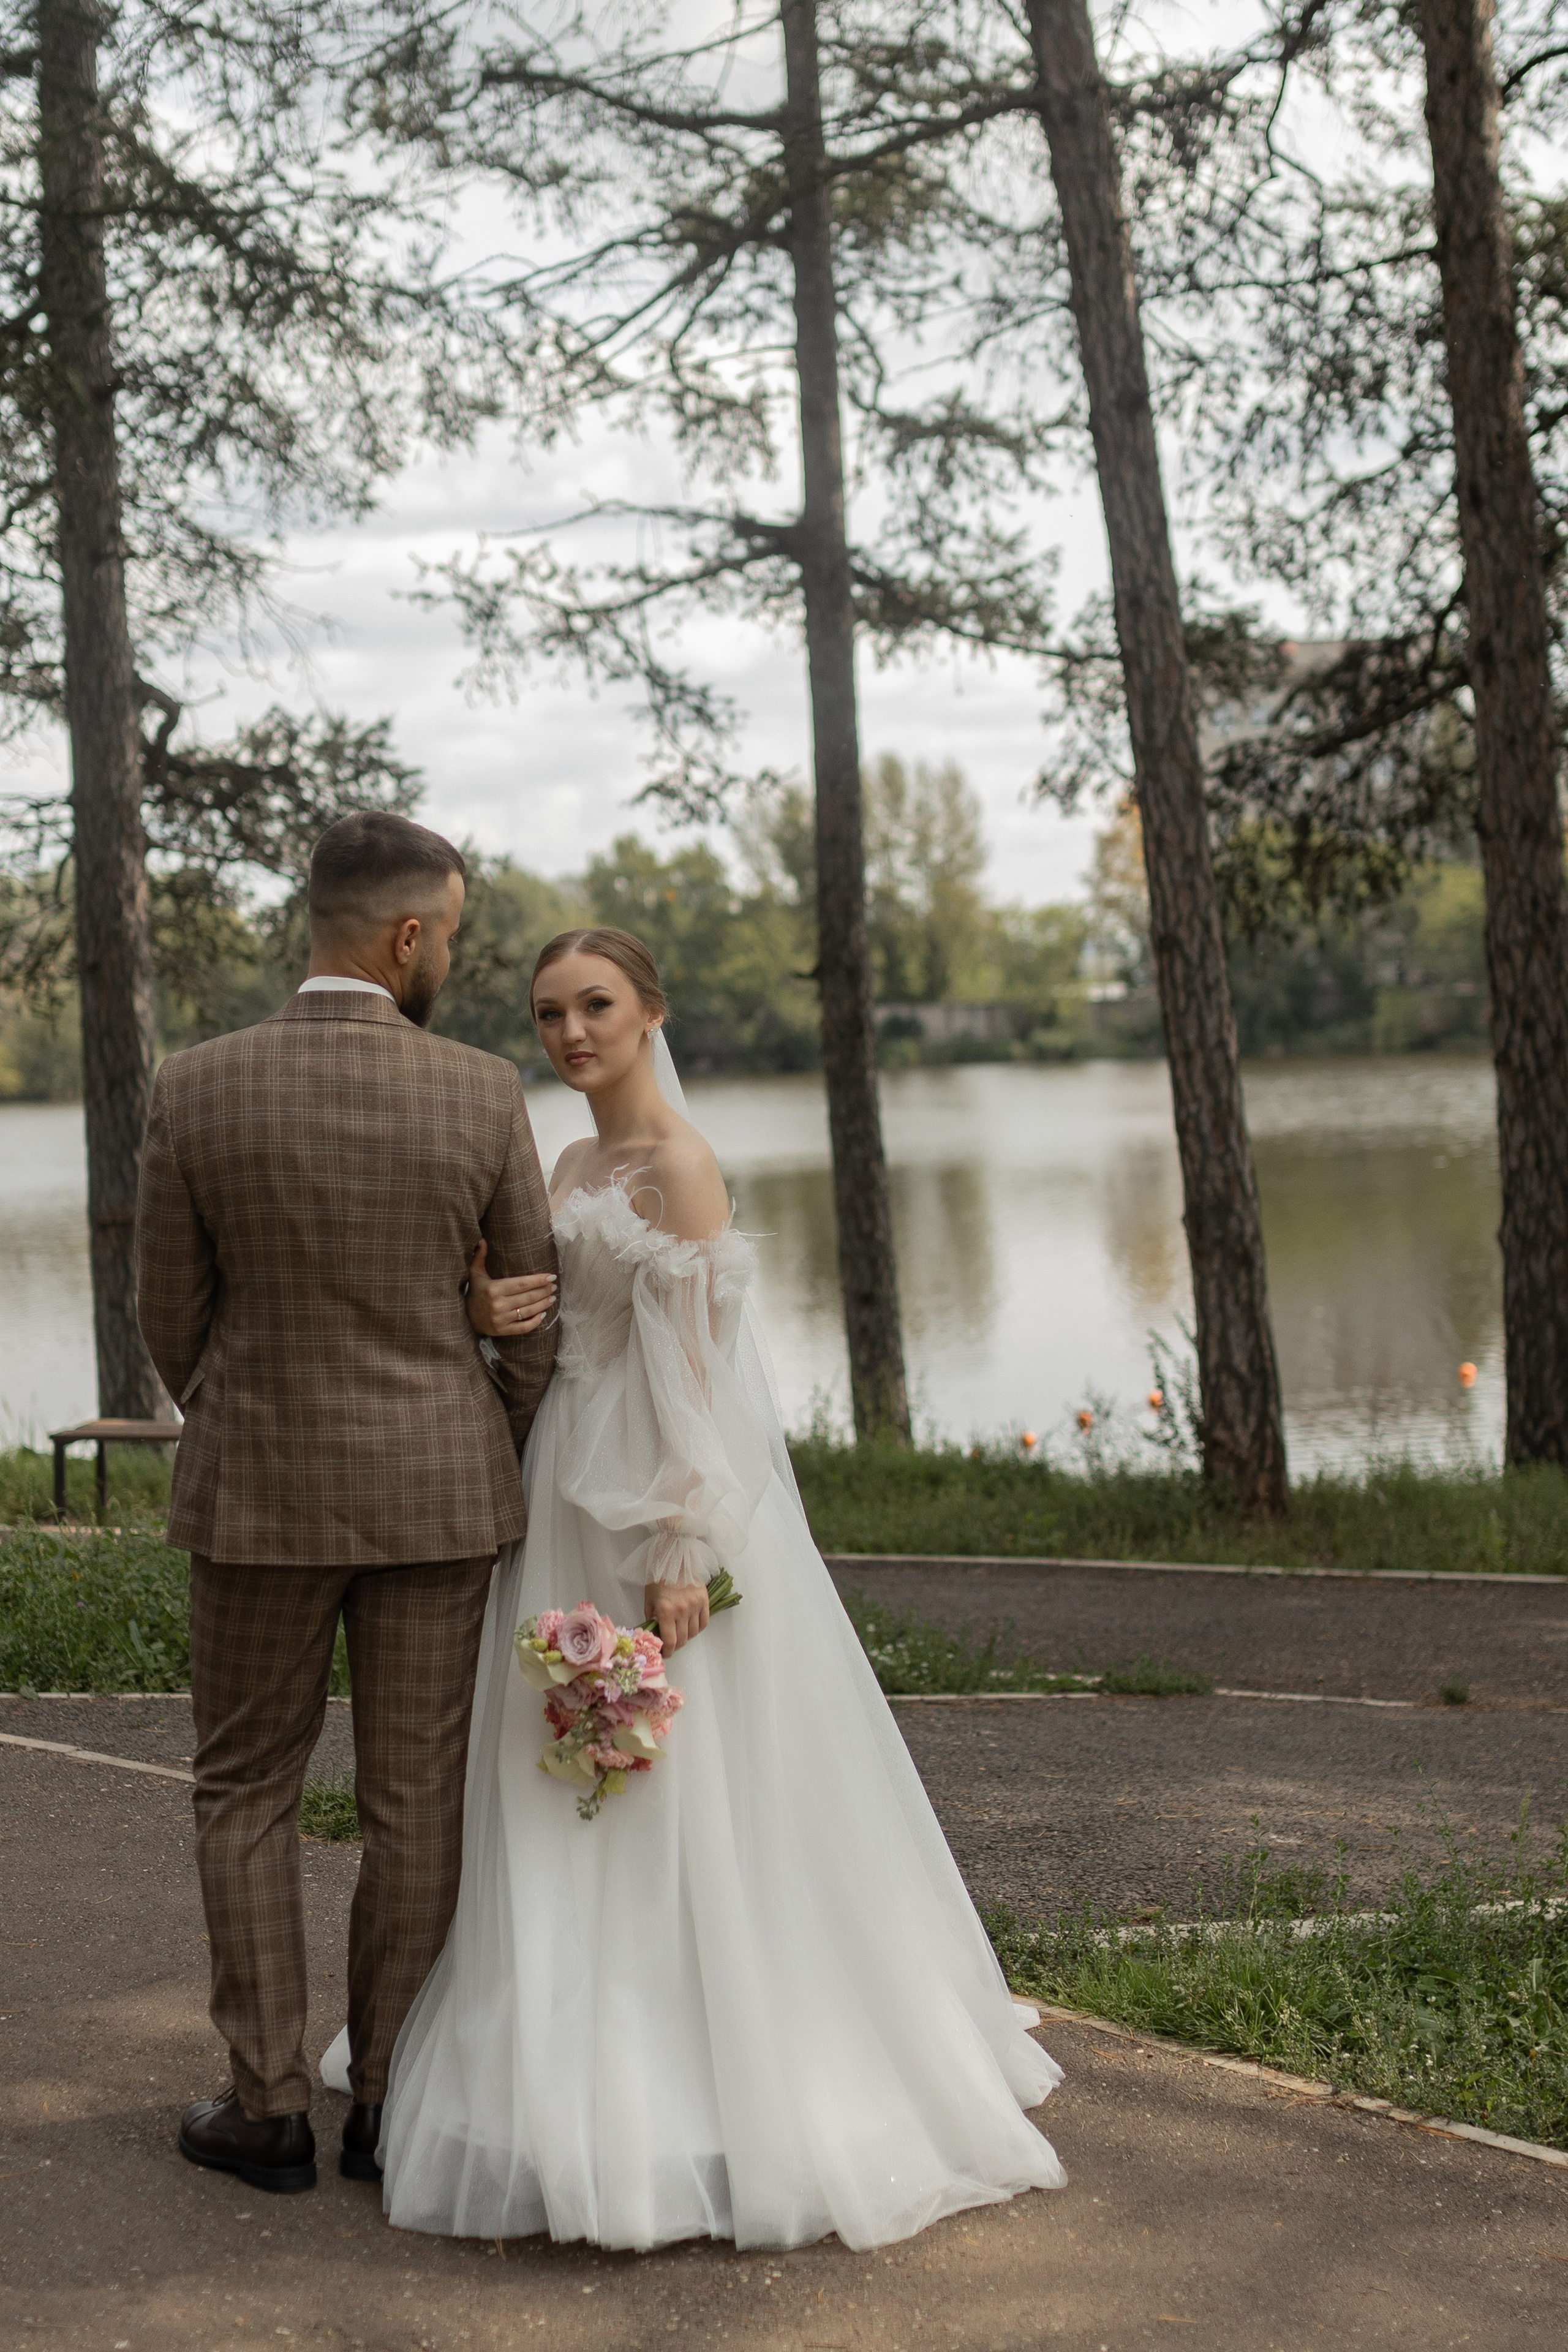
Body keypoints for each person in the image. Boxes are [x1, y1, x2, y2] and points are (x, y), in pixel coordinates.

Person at [328, 925, 1065, 2249]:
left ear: (650, 1010)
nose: (570, 1033)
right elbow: (550, 1320)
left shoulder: (679, 1164)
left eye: (595, 1005)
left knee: (682, 1772)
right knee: (548, 1772)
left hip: (654, 1493)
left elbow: (701, 1374)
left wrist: (680, 1543)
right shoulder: (560, 1159)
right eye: (549, 1011)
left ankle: (711, 2058)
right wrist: (488, 1312)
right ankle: (558, 2047)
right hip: (558, 1477)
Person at [134, 811, 559, 2195]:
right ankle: (389, 2105)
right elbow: (534, 1316)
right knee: (415, 1803)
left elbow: (167, 1320)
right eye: (456, 934)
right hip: (437, 1500)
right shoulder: (480, 1091)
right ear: (409, 936)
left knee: (244, 1792)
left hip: (255, 1495)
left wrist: (253, 1414)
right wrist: (469, 1425)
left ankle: (264, 2110)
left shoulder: (194, 1085)